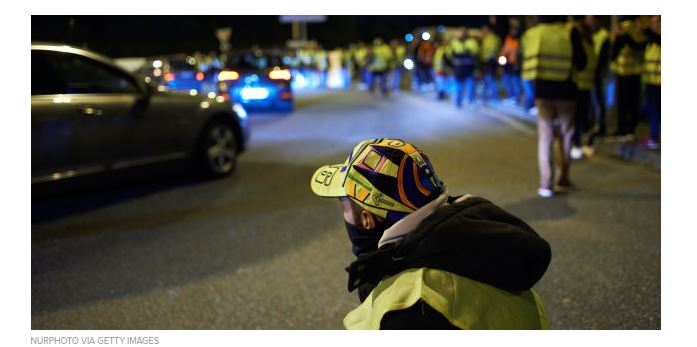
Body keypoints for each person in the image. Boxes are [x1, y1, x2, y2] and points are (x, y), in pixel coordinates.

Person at [310, 138, 551, 329]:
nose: (344, 212)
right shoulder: (479, 240)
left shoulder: (408, 310)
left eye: (345, 202)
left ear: (367, 219)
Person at [521, 15, 587, 198]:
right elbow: (582, 63)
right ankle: (563, 179)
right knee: (566, 135)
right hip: (567, 91)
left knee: (546, 137)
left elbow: (524, 62)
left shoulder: (533, 34)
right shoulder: (570, 31)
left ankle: (546, 183)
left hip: (542, 93)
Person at [610, 16, 647, 140]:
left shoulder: (629, 29)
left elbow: (637, 46)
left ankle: (624, 129)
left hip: (626, 71)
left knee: (624, 103)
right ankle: (628, 130)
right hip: (632, 71)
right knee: (631, 103)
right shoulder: (636, 27)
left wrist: (621, 37)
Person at [570, 17, 599, 159]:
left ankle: (577, 145)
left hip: (577, 85)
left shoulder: (579, 45)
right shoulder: (591, 44)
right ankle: (588, 142)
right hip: (587, 86)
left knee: (576, 118)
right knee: (584, 117)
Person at [587, 15, 611, 137]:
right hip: (590, 73)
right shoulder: (591, 34)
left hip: (599, 74)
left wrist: (595, 70)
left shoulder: (604, 35)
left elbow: (602, 57)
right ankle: (592, 125)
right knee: (592, 101)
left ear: (596, 20)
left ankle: (601, 126)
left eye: (590, 20)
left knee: (599, 100)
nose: (588, 22)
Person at [446, 28, 480, 108]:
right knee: (459, 85)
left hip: (469, 66)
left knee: (470, 85)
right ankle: (458, 102)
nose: (462, 33)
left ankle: (471, 101)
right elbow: (448, 53)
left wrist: (468, 54)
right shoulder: (454, 42)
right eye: (461, 32)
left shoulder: (472, 41)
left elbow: (476, 52)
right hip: (459, 67)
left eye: (463, 32)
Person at [640, 15, 661, 149]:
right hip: (651, 81)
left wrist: (645, 30)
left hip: (659, 82)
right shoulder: (651, 42)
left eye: (654, 22)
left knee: (656, 111)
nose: (652, 25)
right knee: (653, 111)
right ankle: (653, 137)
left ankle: (654, 138)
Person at [499, 22, 523, 104]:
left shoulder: (519, 40)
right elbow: (504, 50)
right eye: (512, 29)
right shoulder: (508, 39)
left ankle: (517, 99)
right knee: (506, 80)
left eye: (515, 29)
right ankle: (511, 97)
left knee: (516, 81)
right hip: (507, 64)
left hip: (515, 64)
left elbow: (519, 53)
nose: (513, 31)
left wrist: (518, 62)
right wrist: (501, 57)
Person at [480, 24, 502, 101]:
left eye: (484, 29)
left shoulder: (492, 38)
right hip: (487, 61)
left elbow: (492, 51)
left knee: (490, 78)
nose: (482, 31)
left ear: (488, 30)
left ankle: (494, 96)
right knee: (488, 78)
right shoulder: (487, 38)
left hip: (490, 61)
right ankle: (490, 95)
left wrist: (486, 58)